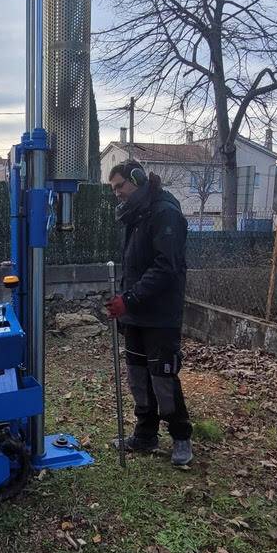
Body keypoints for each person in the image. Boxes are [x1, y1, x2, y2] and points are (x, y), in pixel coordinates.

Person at [106, 159, 193, 466]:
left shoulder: (165, 213)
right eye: (113, 188)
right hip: (135, 314)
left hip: (161, 315)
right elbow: (132, 265)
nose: (117, 193)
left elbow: (165, 268)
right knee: (138, 377)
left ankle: (181, 437)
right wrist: (123, 303)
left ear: (138, 179)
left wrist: (128, 299)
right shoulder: (134, 215)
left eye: (120, 186)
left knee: (163, 378)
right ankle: (145, 435)